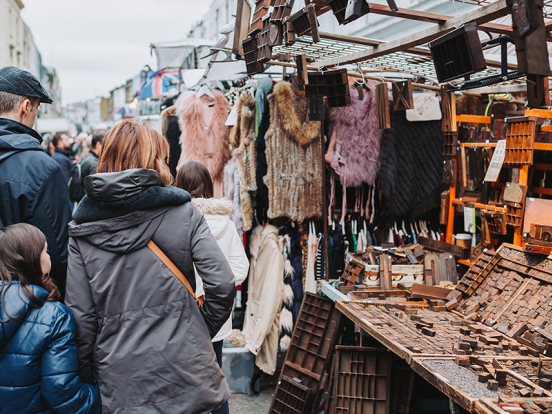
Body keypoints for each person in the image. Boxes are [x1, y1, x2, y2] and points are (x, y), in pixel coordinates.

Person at [65, 119, 235, 414]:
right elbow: (221, 283)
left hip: (123, 382)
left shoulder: (82, 229)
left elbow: (82, 319)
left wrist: (92, 376)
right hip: (190, 373)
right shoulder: (184, 212)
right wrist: (200, 330)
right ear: (154, 159)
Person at [0, 223, 101, 414]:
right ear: (31, 259)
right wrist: (101, 397)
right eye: (45, 251)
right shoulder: (53, 316)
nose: (49, 256)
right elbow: (63, 393)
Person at [175, 160, 249, 414]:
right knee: (215, 377)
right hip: (216, 315)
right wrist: (214, 290)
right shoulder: (226, 224)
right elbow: (241, 268)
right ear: (208, 184)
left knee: (184, 380)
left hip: (183, 315)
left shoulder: (175, 222)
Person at [0, 66, 72, 300]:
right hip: (22, 300)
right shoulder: (41, 167)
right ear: (26, 106)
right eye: (37, 109)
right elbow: (57, 252)